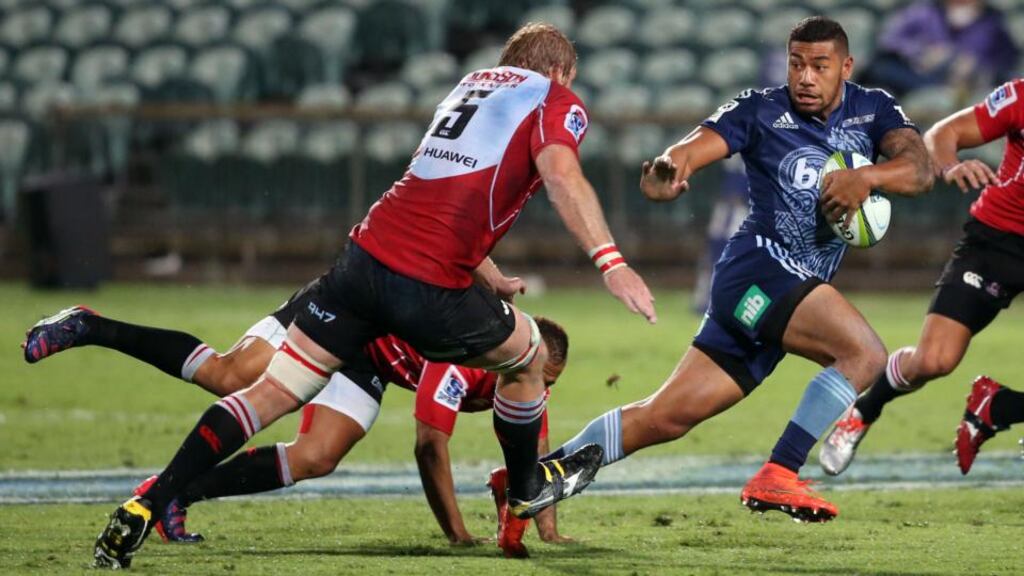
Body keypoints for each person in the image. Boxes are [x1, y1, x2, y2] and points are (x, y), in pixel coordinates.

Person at [92, 22, 656, 569]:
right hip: (428, 284)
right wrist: (611, 263)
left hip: (362, 261)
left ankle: (148, 501)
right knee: (530, 355)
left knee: (268, 393)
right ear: (560, 71)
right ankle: (526, 488)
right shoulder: (555, 98)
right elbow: (561, 176)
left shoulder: (469, 87)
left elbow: (432, 194)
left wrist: (490, 276)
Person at [533, 16, 933, 525]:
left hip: (790, 289)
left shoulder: (874, 109)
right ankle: (780, 472)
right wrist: (667, 171)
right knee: (863, 353)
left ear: (846, 67)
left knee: (665, 417)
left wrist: (867, 177)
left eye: (819, 66)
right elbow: (688, 150)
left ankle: (527, 481)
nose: (805, 77)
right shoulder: (759, 109)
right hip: (759, 270)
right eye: (796, 64)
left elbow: (920, 171)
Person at [22, 285, 572, 547]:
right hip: (345, 310)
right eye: (541, 380)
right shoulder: (469, 357)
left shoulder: (525, 377)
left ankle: (176, 495)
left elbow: (536, 449)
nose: (540, 392)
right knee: (229, 376)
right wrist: (459, 536)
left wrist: (547, 530)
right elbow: (430, 446)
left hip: (370, 359)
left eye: (547, 385)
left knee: (316, 457)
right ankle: (89, 325)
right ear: (523, 356)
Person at [820, 78, 1024, 476]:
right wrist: (951, 166)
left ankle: (1000, 407)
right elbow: (944, 134)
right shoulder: (1021, 97)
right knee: (934, 359)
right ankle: (863, 411)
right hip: (998, 241)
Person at [859, 0, 1018, 98]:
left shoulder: (993, 24)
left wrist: (974, 67)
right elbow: (889, 41)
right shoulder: (923, 12)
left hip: (967, 85)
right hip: (917, 76)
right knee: (880, 69)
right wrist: (921, 53)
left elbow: (1005, 62)